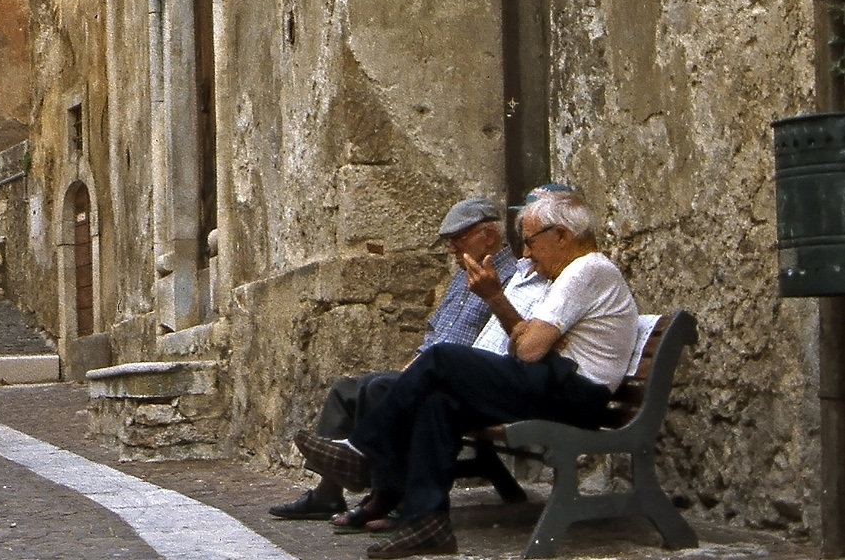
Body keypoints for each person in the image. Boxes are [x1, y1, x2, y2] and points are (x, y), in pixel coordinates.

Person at [296, 187, 639, 558]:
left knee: (443, 359)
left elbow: (527, 348)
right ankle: (429, 524)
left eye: (530, 242)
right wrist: (516, 323)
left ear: (561, 235)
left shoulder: (585, 270)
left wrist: (496, 300)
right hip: (556, 384)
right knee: (440, 403)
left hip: (575, 393)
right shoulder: (575, 272)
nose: (526, 253)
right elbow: (526, 342)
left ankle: (364, 450)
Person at [269, 195, 519, 521]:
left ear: (488, 236)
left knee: (378, 388)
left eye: (458, 240)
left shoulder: (509, 279)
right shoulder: (463, 276)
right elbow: (435, 331)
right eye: (449, 242)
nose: (452, 250)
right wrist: (416, 360)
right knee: (346, 388)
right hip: (430, 366)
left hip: (457, 378)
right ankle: (328, 493)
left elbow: (487, 345)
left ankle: (389, 495)